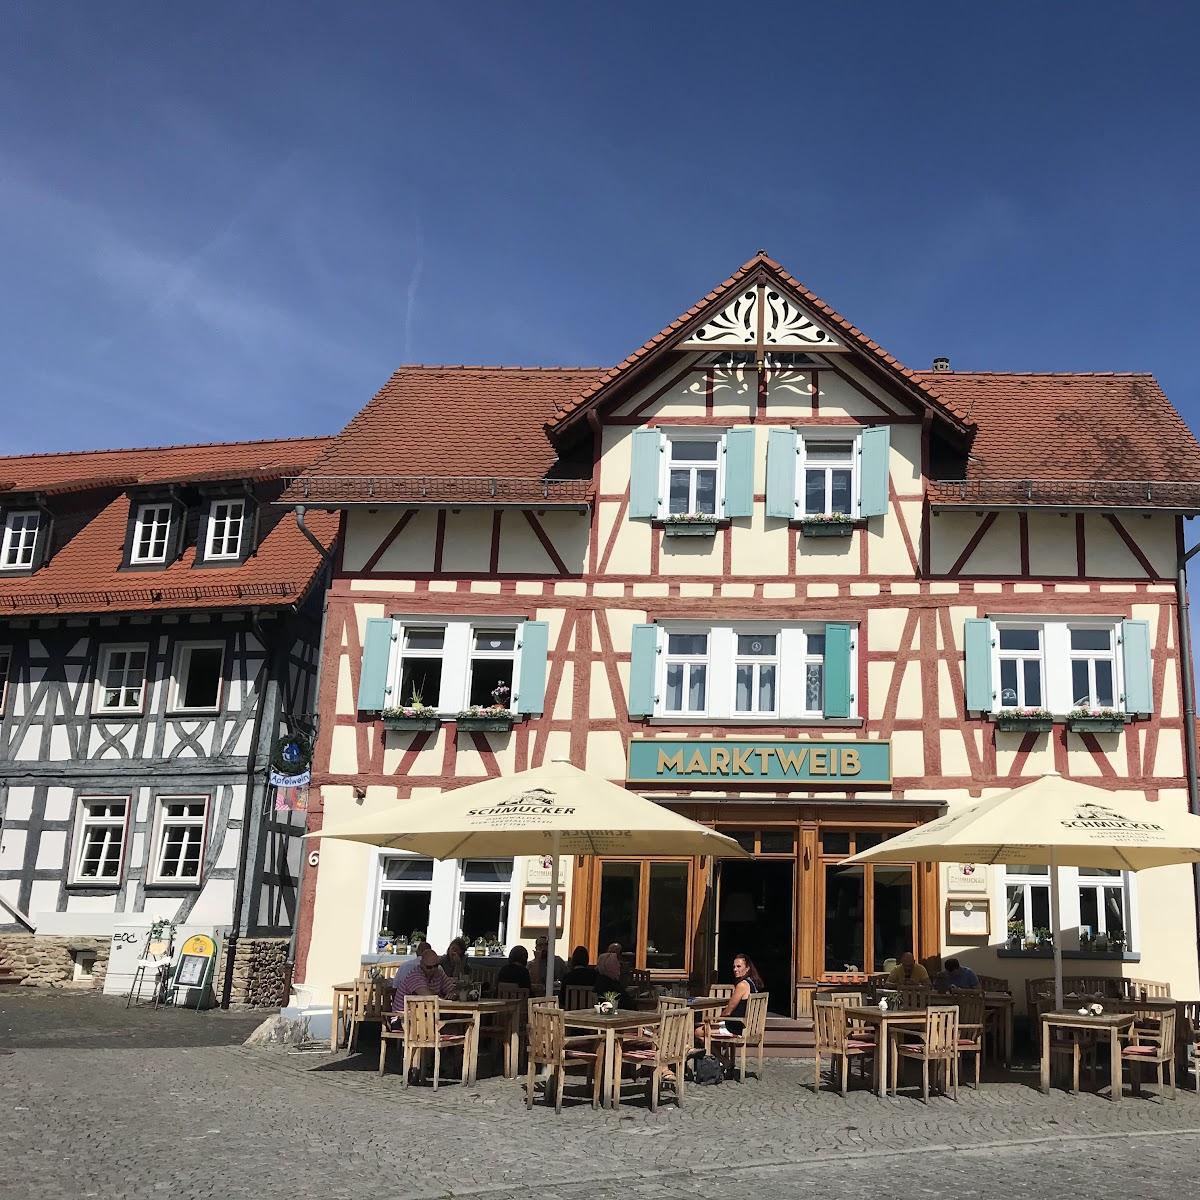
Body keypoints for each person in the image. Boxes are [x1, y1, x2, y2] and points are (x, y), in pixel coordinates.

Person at [389, 947, 455, 1029]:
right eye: (429, 967)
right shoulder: (415, 976)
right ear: (421, 965)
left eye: (435, 966)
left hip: (424, 1016)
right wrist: (445, 998)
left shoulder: (439, 972)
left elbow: (452, 989)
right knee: (448, 1025)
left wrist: (452, 994)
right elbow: (429, 997)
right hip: (402, 1019)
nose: (433, 969)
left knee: (455, 1022)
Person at [710, 952, 763, 1037]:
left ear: (747, 968)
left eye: (739, 966)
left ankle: (714, 1051)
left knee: (698, 1032)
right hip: (745, 1026)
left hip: (735, 1027)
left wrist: (715, 1020)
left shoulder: (742, 985)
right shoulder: (752, 984)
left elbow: (728, 1011)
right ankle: (716, 1050)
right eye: (734, 966)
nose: (735, 969)